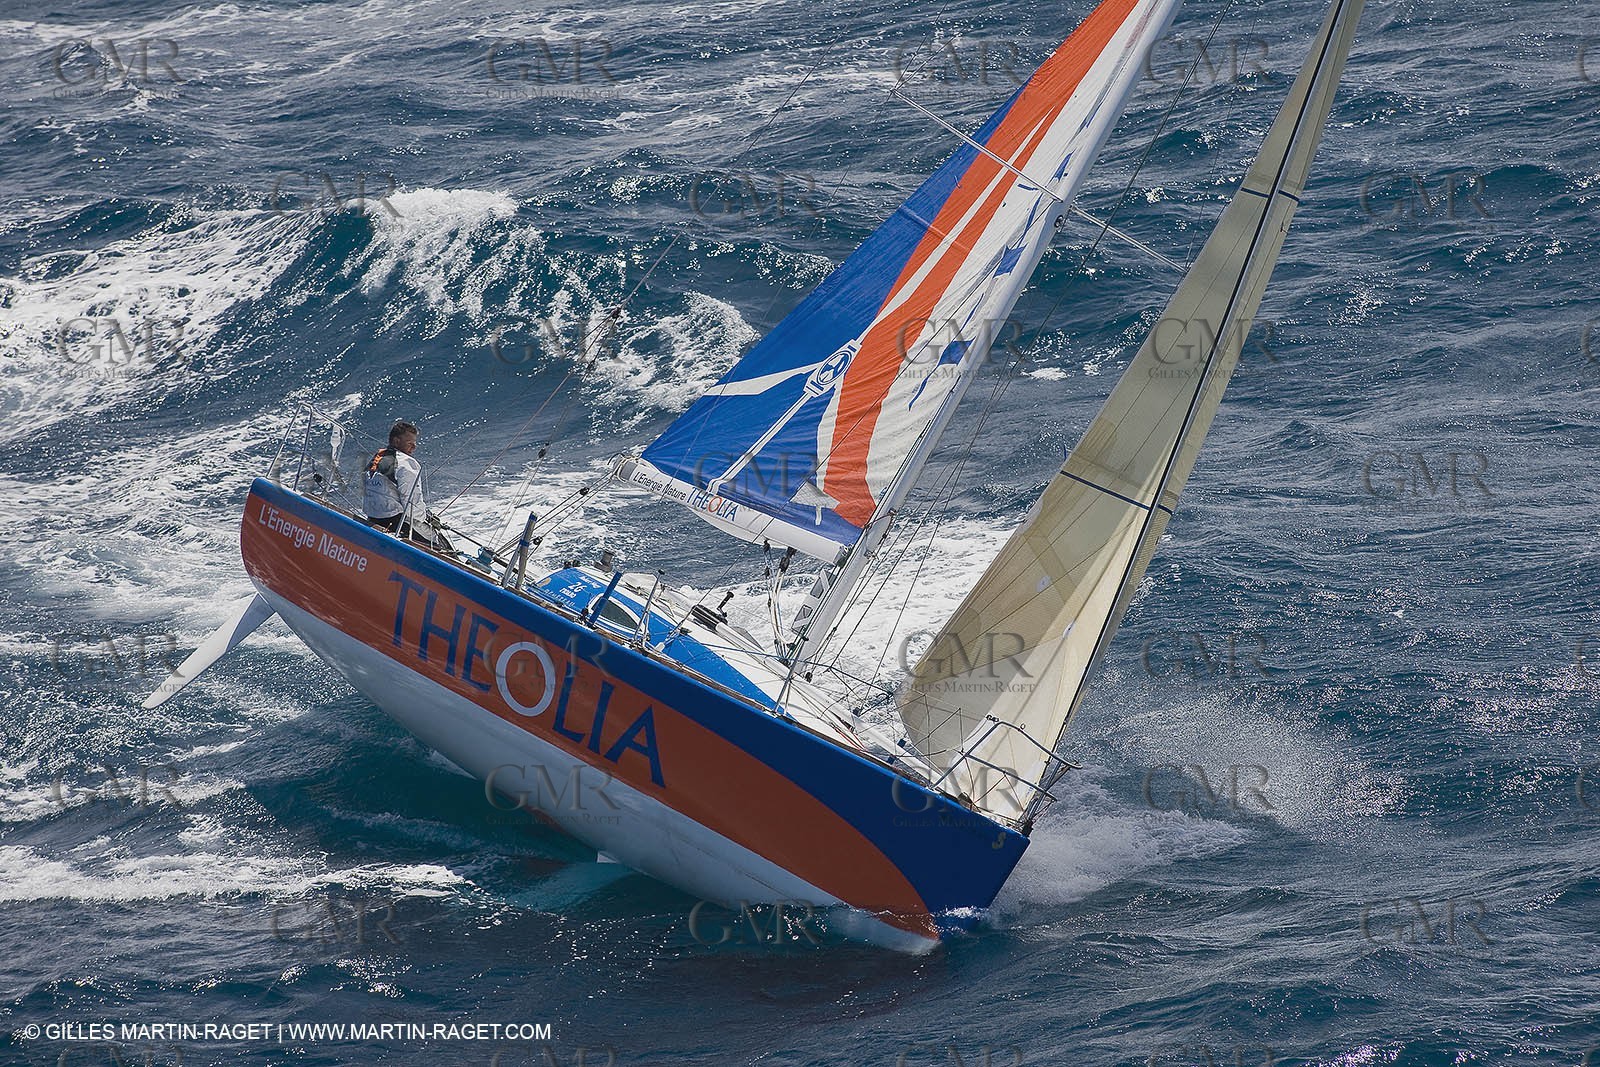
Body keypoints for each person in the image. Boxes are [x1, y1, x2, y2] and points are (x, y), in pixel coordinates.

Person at [364, 420, 428, 535]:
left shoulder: (377, 458)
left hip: (372, 518)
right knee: (437, 541)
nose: (414, 447)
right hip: (396, 523)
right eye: (410, 443)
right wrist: (423, 520)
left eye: (415, 443)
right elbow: (411, 501)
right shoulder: (406, 462)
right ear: (396, 441)